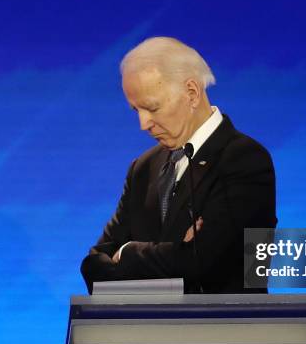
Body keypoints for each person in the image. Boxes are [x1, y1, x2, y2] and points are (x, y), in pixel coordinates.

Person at [81, 37, 276, 294]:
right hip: (145, 331)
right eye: (135, 110)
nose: (143, 123)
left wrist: (128, 252)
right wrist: (175, 255)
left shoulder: (244, 159)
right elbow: (94, 266)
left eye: (152, 107)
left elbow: (204, 264)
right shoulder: (144, 168)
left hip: (221, 330)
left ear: (192, 93)